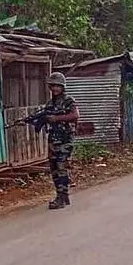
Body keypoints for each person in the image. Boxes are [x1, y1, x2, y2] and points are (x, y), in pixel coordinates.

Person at [43, 72, 80, 210]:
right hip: (53, 139)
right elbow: (45, 119)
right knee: (54, 168)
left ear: (62, 87)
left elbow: (75, 115)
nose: (54, 89)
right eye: (52, 86)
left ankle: (62, 197)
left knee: (61, 166)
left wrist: (57, 119)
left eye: (57, 86)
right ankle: (61, 195)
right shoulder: (49, 104)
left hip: (65, 139)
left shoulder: (69, 100)